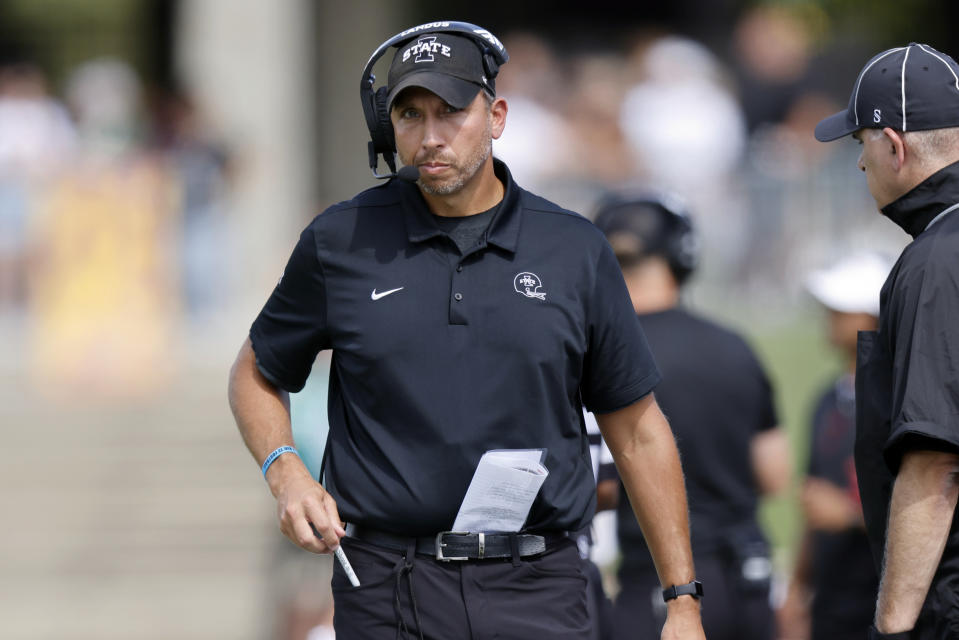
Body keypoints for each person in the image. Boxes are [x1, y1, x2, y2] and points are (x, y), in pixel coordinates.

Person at [227, 21, 706, 640]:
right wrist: (285, 469)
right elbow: (256, 370)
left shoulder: (575, 249)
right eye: (410, 115)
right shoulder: (339, 240)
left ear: (497, 115)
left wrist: (683, 602)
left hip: (539, 586)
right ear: (388, 127)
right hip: (384, 586)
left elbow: (638, 433)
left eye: (450, 112)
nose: (430, 136)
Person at [591, 193, 790, 640]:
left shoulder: (597, 355)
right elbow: (774, 474)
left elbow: (597, 484)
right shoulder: (735, 347)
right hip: (746, 582)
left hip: (659, 588)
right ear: (683, 254)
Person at [814, 43, 959, 639]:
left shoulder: (937, 261)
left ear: (893, 145)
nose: (859, 164)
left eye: (860, 144)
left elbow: (935, 463)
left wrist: (894, 625)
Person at [779, 253, 891, 640]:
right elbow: (812, 505)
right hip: (830, 604)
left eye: (842, 308)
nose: (829, 316)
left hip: (883, 605)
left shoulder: (900, 400)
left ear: (873, 317)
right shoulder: (826, 400)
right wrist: (795, 593)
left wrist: (847, 514)